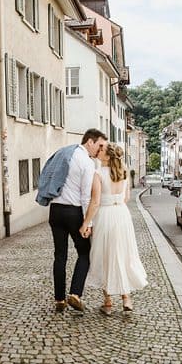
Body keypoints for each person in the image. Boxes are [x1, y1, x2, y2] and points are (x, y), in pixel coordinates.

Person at [36, 128, 108, 312]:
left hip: (56, 210)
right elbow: (86, 197)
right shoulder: (86, 162)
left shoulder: (64, 153)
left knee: (60, 255)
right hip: (74, 211)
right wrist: (87, 223)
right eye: (99, 145)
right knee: (85, 253)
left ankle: (59, 299)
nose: (100, 150)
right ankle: (75, 294)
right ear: (90, 142)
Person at [80, 143, 148, 314]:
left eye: (101, 150)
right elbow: (126, 197)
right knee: (123, 254)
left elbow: (95, 202)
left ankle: (108, 302)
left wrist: (86, 223)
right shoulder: (124, 172)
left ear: (107, 156)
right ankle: (127, 299)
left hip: (105, 216)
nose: (98, 151)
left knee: (105, 255)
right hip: (122, 215)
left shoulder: (99, 174)